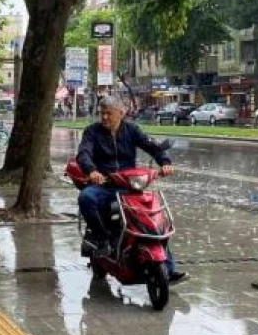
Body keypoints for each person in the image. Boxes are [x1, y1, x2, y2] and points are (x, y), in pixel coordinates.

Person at [76, 95, 187, 284]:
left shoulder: (132, 130)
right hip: (105, 185)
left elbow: (153, 146)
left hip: (130, 186)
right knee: (86, 198)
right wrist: (92, 171)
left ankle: (168, 268)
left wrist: (165, 162)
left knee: (153, 220)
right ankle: (102, 239)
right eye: (101, 113)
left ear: (121, 113)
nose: (104, 117)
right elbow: (83, 154)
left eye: (108, 114)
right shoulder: (91, 132)